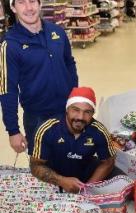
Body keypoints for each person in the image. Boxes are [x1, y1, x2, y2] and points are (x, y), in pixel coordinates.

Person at [0, 0, 78, 154]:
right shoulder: (10, 44)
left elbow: (69, 63)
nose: (29, 8)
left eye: (32, 1)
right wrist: (13, 131)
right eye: (22, 2)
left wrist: (75, 97)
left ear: (40, 4)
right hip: (38, 119)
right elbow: (7, 89)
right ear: (13, 8)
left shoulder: (58, 32)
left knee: (72, 161)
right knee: (43, 170)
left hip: (68, 113)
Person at [30, 87, 124, 193]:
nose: (80, 117)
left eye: (87, 112)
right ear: (67, 109)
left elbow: (108, 162)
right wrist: (62, 181)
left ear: (93, 113)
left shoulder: (99, 131)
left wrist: (88, 188)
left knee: (125, 184)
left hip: (86, 174)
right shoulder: (48, 129)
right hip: (54, 177)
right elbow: (35, 165)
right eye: (75, 110)